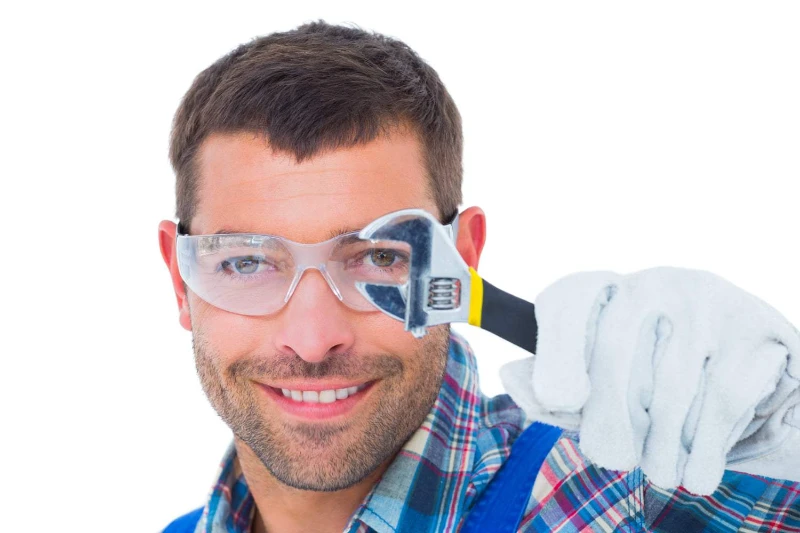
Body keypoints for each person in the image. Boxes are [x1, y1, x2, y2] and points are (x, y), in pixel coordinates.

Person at [158, 21, 800, 532]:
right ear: (179, 278)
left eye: (379, 256)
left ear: (462, 257)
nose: (312, 337)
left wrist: (785, 429)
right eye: (244, 262)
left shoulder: (630, 496)